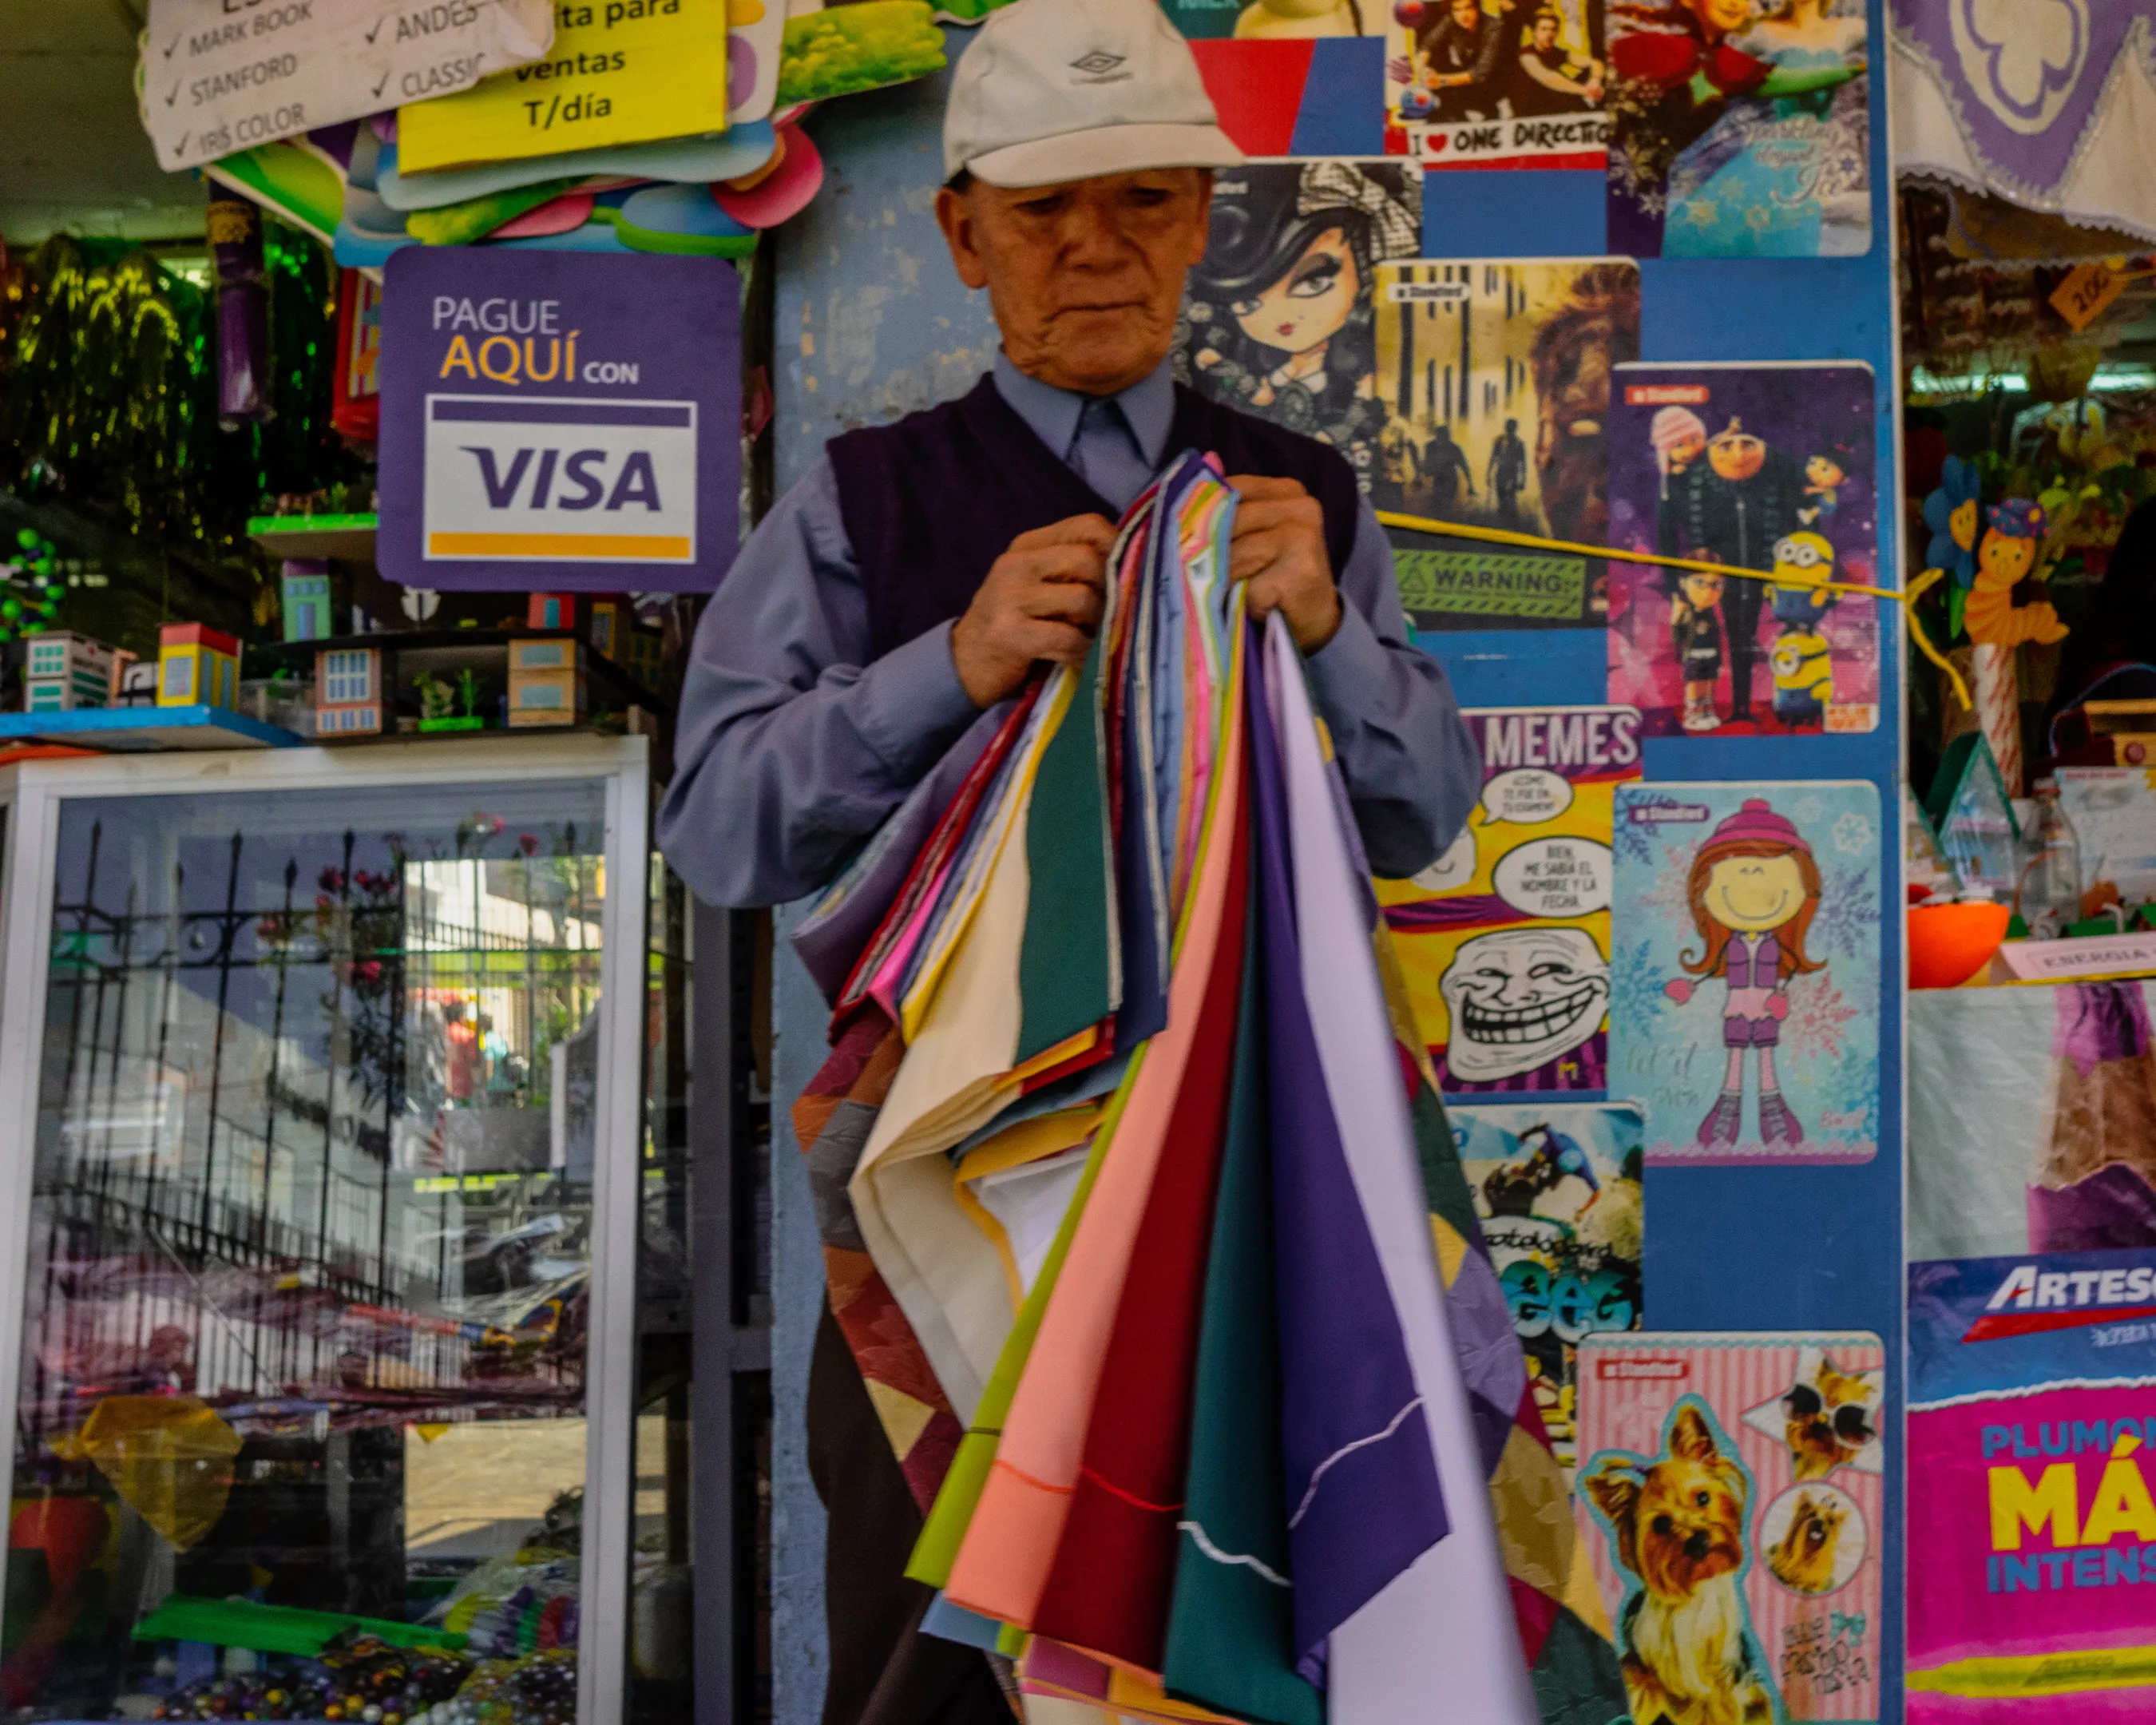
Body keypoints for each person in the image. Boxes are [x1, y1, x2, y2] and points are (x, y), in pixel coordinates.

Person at [655, 2, 1481, 1719]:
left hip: (1248, 1200)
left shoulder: (1298, 495)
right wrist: (935, 671)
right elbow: (716, 825)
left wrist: (1325, 629)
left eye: (1146, 200)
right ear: (963, 237)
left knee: (1240, 1634)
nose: (1096, 247)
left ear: (1203, 219)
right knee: (928, 1663)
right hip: (940, 1205)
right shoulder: (861, 506)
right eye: (1042, 211)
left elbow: (1425, 813)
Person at [1184, 160, 1419, 486]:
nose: (1282, 317)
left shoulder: (1370, 363)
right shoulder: (1257, 371)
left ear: (1364, 268)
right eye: (1248, 302)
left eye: (1312, 282)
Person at [1512, 6, 1603, 114]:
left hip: (1550, 106)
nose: (1549, 34)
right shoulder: (1526, 53)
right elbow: (1548, 78)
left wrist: (1595, 80)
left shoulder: (1558, 52)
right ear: (1534, 32)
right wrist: (1585, 91)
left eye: (1553, 29)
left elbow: (1594, 63)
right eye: (1544, 29)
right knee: (1561, 80)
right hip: (1527, 110)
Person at [1488, 414, 1529, 525]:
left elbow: (1523, 464)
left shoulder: (1519, 444)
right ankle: (1502, 522)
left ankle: (1512, 523)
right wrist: (1488, 474)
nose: (1510, 429)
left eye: (1512, 427)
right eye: (1508, 427)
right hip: (1501, 473)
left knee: (1511, 499)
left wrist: (1523, 481)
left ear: (1515, 428)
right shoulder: (1499, 441)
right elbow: (1493, 457)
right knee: (1501, 499)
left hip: (1512, 474)